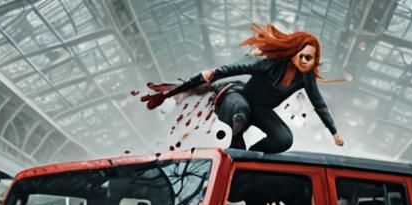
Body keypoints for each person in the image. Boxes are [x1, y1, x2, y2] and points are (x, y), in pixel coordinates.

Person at [141, 23, 344, 153]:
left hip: (263, 110)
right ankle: (236, 144)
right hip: (239, 96)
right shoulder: (267, 63)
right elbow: (228, 70)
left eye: (312, 58)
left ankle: (250, 155)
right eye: (303, 56)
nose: (307, 62)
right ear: (293, 53)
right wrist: (170, 93)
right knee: (241, 113)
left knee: (284, 139)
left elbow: (319, 103)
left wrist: (334, 132)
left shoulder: (305, 78)